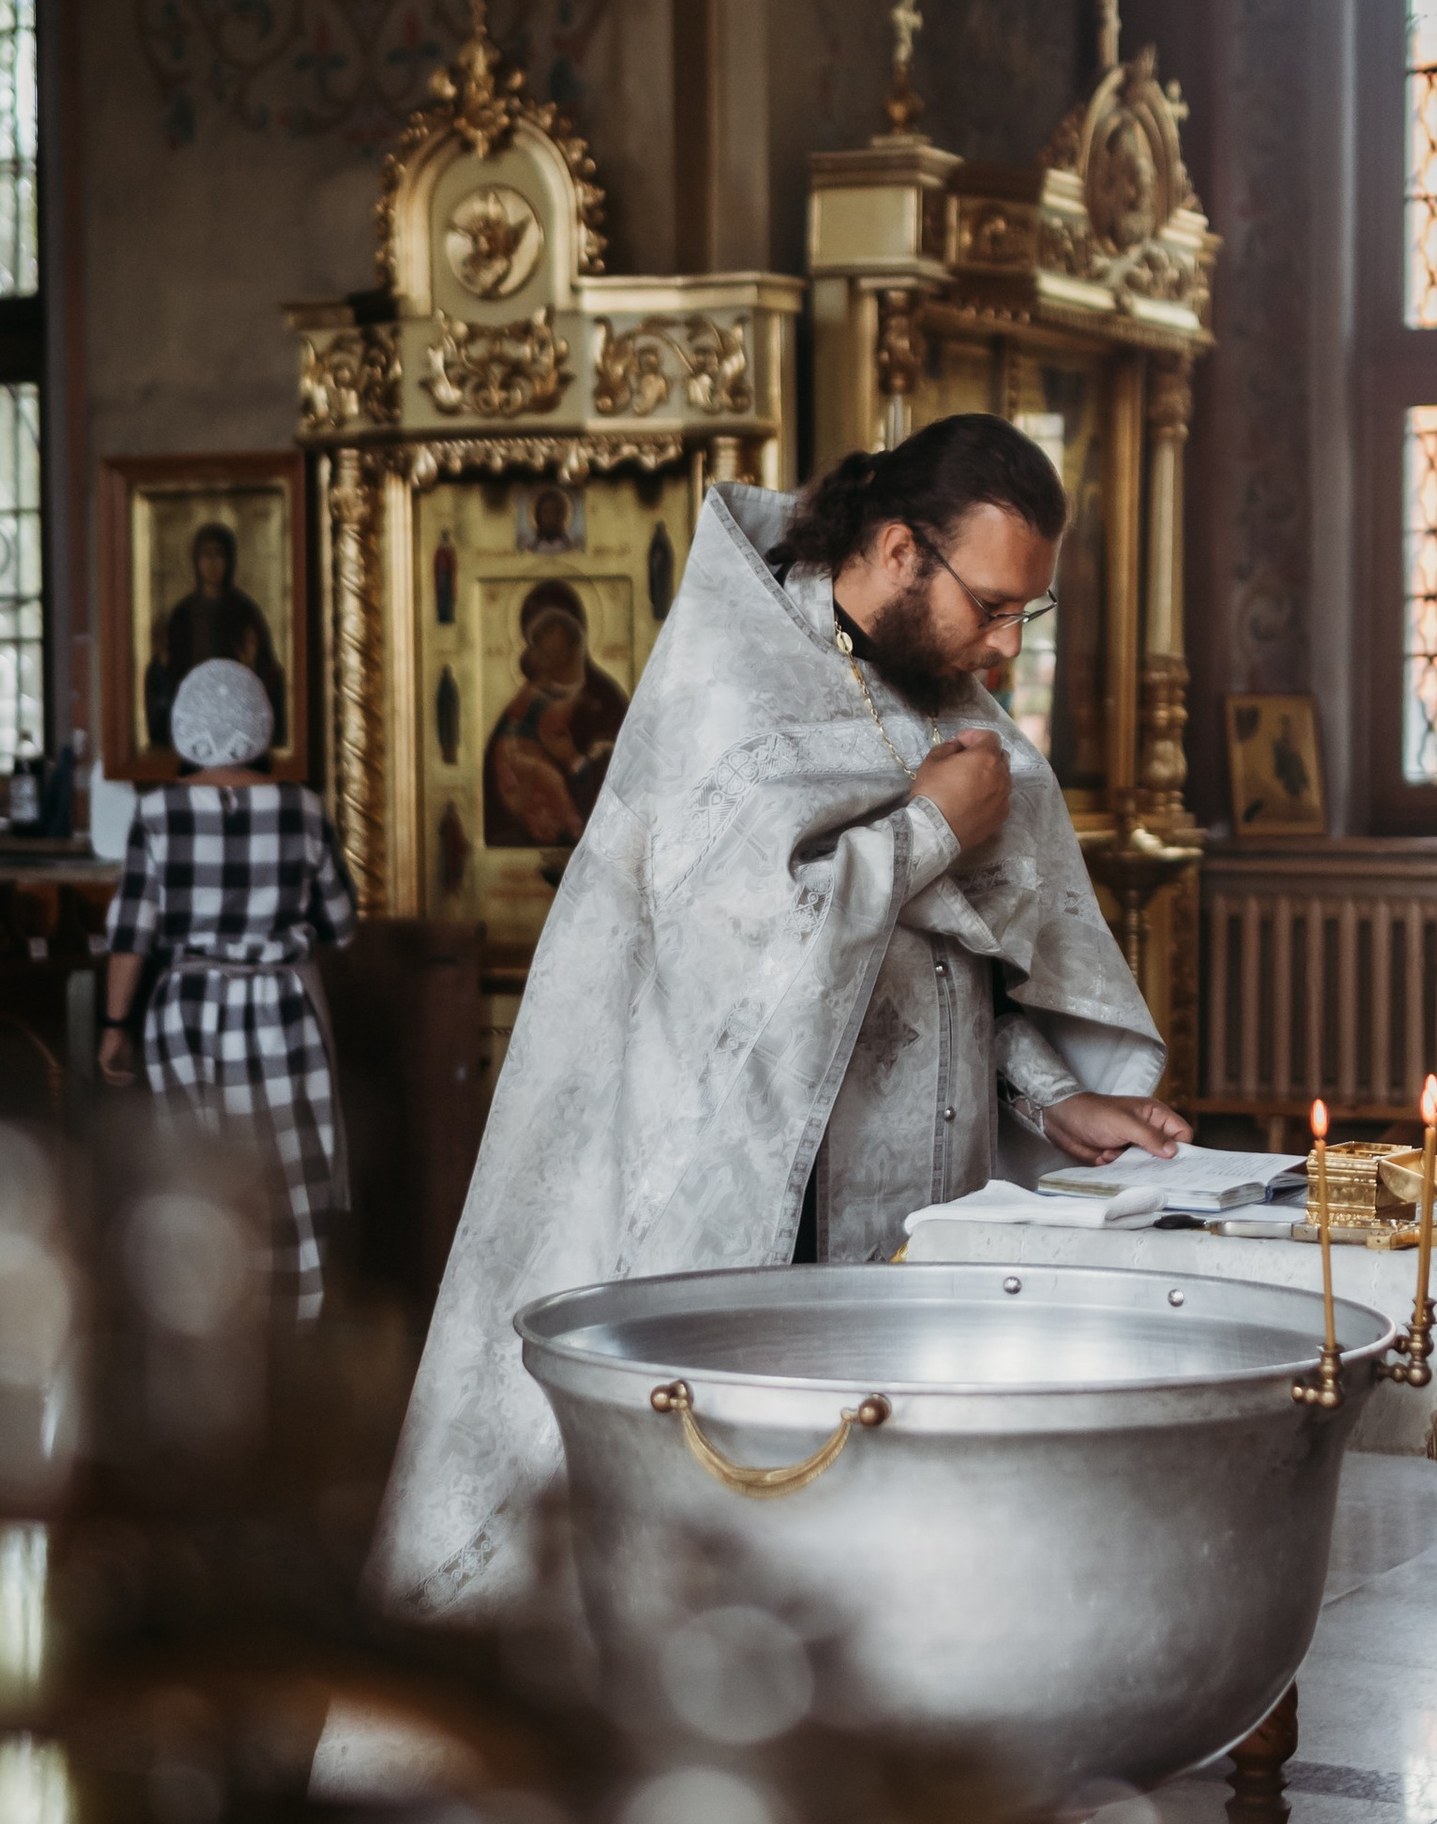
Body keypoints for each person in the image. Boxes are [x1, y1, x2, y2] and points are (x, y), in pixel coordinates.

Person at [376, 417, 1185, 1612]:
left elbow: (948, 959)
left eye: (1030, 614)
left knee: (887, 1592)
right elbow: (739, 970)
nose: (1008, 647)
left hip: (908, 1218)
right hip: (758, 1224)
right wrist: (926, 830)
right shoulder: (738, 685)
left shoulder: (940, 699)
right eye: (994, 605)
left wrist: (1055, 1097)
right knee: (722, 1588)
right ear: (902, 549)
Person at [100, 659, 358, 1316]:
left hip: (186, 1013)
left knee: (196, 1170)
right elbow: (340, 925)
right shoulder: (303, 807)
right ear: (261, 725)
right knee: (288, 1168)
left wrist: (113, 1026)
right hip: (281, 1008)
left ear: (183, 727)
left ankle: (207, 1319)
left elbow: (132, 933)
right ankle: (293, 1321)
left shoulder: (156, 812)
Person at [482, 581, 629, 849]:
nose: (541, 640)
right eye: (536, 634)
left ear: (574, 633)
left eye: (550, 628)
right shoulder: (531, 695)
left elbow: (626, 777)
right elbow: (493, 798)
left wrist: (574, 760)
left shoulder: (607, 701)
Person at [145, 521, 286, 756]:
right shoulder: (183, 613)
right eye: (205, 556)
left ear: (229, 560)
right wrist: (162, 662)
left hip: (236, 720)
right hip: (195, 722)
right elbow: (167, 673)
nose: (212, 564)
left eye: (218, 555)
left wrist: (252, 666)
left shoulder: (244, 610)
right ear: (195, 561)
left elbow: (268, 670)